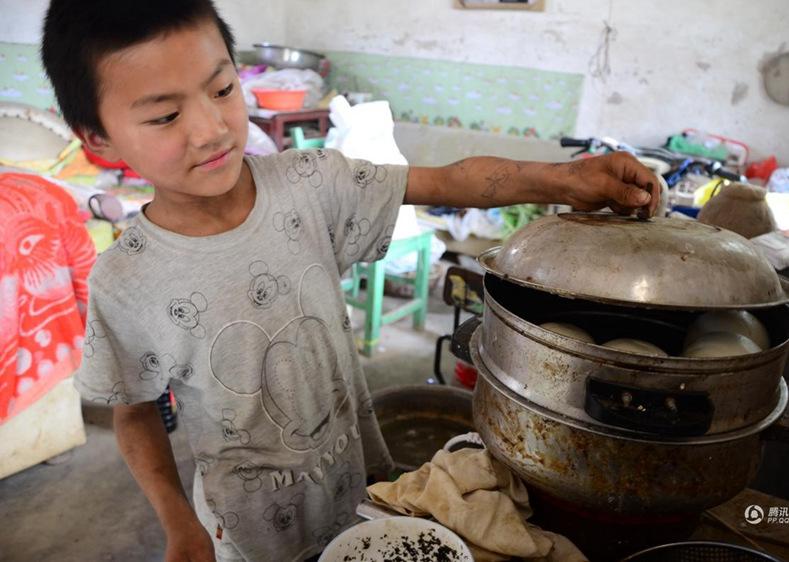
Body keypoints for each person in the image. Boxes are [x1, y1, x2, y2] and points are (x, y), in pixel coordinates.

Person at [41, 1, 660, 560]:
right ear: (98, 138)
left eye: (223, 88)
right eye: (167, 115)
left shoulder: (310, 186)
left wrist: (568, 179)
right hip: (247, 529)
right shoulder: (127, 280)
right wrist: (180, 524)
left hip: (358, 480)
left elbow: (448, 182)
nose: (210, 130)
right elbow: (134, 413)